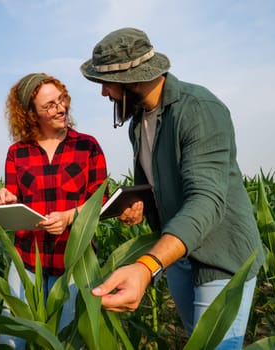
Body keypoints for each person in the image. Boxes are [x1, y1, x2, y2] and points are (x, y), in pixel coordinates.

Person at [80, 27, 265, 349]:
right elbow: (158, 184)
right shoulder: (139, 123)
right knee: (196, 339)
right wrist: (138, 205)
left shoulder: (199, 109)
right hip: (178, 256)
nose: (104, 94)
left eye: (106, 84)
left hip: (219, 257)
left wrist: (146, 265)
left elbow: (206, 199)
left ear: (132, 80)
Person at [0, 72, 107, 348]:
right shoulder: (17, 153)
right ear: (31, 114)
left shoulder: (87, 146)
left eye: (61, 99)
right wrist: (1, 198)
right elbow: (13, 195)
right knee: (12, 336)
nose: (60, 108)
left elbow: (100, 200)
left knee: (68, 339)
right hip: (28, 259)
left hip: (75, 261)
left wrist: (69, 217)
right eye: (49, 105)